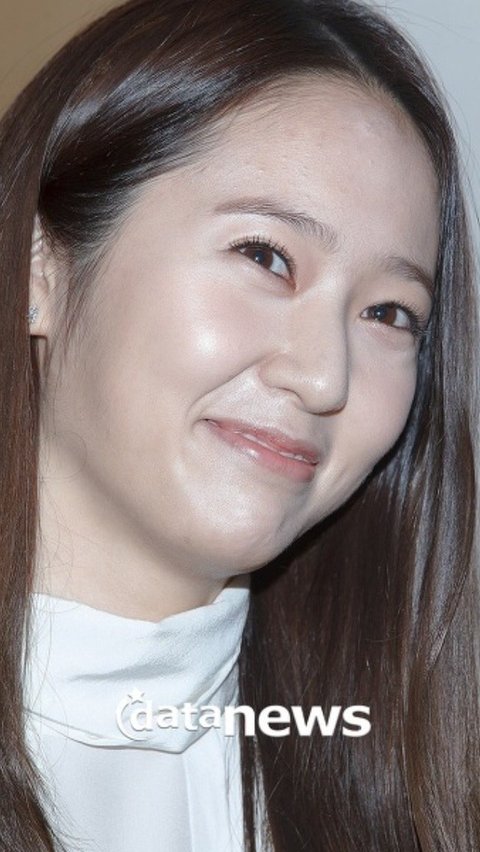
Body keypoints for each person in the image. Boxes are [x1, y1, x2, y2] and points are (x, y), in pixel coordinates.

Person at [0, 0, 478, 849]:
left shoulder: (414, 783)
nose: (324, 376)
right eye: (266, 257)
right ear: (40, 267)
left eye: (388, 313)